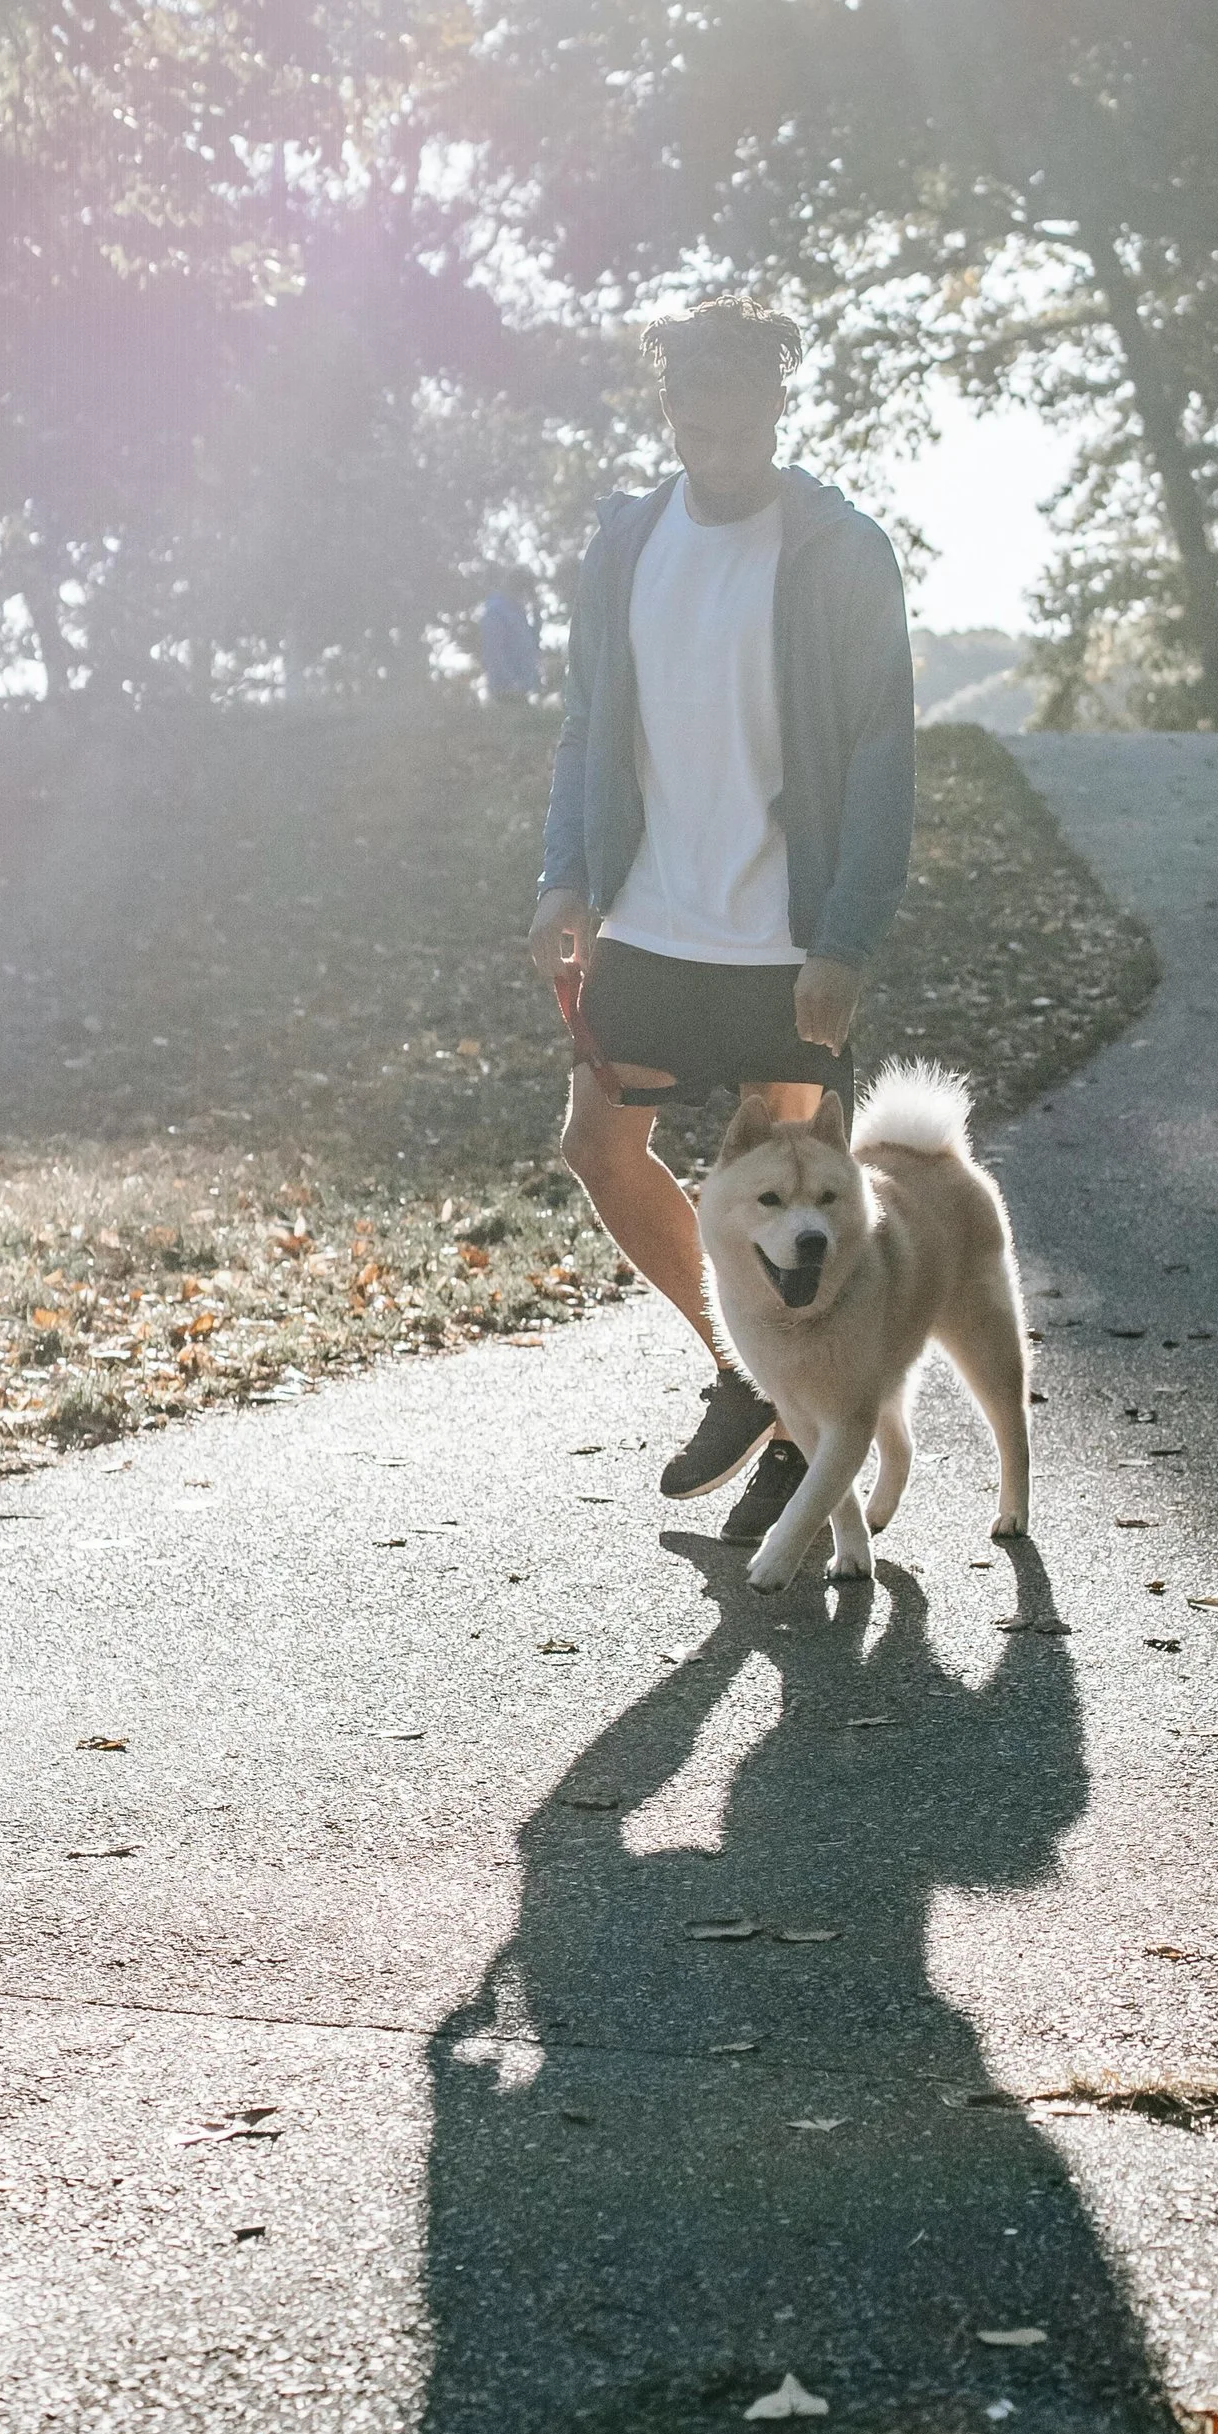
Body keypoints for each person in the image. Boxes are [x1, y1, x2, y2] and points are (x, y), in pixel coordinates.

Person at [528, 295, 915, 1541]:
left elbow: (880, 756)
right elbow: (587, 723)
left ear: (778, 413)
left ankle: (805, 1432)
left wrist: (846, 940)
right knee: (597, 1148)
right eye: (701, 433)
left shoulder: (840, 551)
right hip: (649, 917)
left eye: (745, 432)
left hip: (781, 943)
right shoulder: (627, 543)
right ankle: (751, 1378)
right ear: (670, 417)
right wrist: (562, 878)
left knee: (796, 1213)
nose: (723, 456)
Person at [477, 573, 540, 705]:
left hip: (522, 689)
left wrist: (537, 612)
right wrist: (510, 682)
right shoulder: (497, 611)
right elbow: (493, 651)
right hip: (506, 692)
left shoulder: (517, 612)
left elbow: (532, 642)